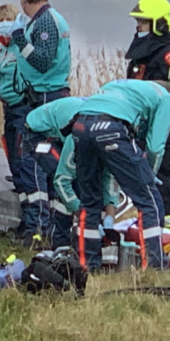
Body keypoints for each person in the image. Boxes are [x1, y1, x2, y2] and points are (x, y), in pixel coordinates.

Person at [72, 79, 170, 271]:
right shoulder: (166, 98)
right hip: (112, 127)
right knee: (148, 199)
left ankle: (86, 266)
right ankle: (155, 266)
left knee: (89, 202)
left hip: (81, 125)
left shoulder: (123, 86)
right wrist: (149, 174)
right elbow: (155, 147)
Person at [9, 0, 72, 247]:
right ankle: (51, 225)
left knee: (35, 160)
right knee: (49, 161)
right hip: (48, 94)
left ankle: (39, 227)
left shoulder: (46, 21)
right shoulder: (50, 18)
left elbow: (43, 61)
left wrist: (20, 39)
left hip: (46, 95)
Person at [125, 0, 170, 213]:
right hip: (142, 125)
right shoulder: (144, 50)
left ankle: (167, 230)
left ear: (159, 24)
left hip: (165, 127)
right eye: (138, 21)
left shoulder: (168, 52)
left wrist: (166, 103)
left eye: (143, 22)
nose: (138, 26)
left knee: (164, 181)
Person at [26, 97, 117, 249]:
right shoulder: (76, 139)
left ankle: (85, 237)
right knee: (63, 176)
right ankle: (59, 241)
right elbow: (61, 180)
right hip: (37, 133)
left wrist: (110, 214)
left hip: (65, 128)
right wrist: (82, 216)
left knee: (88, 180)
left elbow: (109, 176)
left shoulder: (111, 143)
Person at [0, 3, 39, 239]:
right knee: (15, 167)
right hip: (8, 111)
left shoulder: (23, 50)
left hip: (24, 110)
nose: (2, 26)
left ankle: (33, 223)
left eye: (7, 20)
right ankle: (24, 220)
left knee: (25, 167)